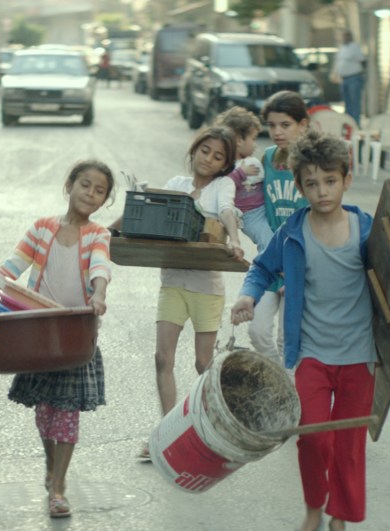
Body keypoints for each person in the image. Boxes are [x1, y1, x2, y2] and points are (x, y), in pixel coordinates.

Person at [231, 130, 390, 531]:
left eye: (330, 181)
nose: (322, 191)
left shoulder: (367, 230)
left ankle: (339, 523)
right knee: (311, 439)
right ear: (299, 186)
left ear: (346, 180)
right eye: (311, 183)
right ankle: (313, 512)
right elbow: (262, 268)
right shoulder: (293, 231)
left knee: (348, 445)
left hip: (360, 356)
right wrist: (248, 296)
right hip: (311, 353)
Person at [0, 160, 115, 518]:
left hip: (74, 336)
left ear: (104, 201)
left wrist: (99, 294)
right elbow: (10, 268)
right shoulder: (42, 228)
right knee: (45, 413)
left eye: (99, 191)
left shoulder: (99, 235)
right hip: (36, 335)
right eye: (85, 184)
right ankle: (51, 468)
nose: (90, 194)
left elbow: (100, 267)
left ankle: (58, 488)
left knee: (67, 412)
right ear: (69, 185)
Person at [130, 127, 245, 460]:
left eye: (218, 156)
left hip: (206, 288)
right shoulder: (176, 184)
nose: (209, 159)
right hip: (172, 283)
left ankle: (219, 429)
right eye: (205, 150)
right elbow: (154, 214)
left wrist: (235, 239)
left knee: (203, 363)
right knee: (162, 358)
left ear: (225, 165)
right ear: (194, 150)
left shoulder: (222, 187)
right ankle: (167, 436)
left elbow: (226, 211)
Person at [249, 90, 311, 366]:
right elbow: (254, 206)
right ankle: (279, 380)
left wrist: (298, 266)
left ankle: (288, 386)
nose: (277, 132)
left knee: (288, 339)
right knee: (257, 331)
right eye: (272, 125)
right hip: (271, 259)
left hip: (300, 264)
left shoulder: (311, 164)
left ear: (303, 124)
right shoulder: (268, 158)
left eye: (285, 125)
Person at [214, 107, 272, 253]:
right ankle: (265, 265)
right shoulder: (227, 166)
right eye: (253, 139)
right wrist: (241, 173)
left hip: (265, 209)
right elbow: (223, 185)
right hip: (250, 215)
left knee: (275, 239)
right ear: (239, 141)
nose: (255, 144)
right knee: (267, 241)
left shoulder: (249, 161)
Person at [335, 31, 367, 127]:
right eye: (343, 36)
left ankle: (356, 124)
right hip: (344, 79)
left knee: (354, 103)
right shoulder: (342, 48)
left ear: (350, 37)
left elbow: (362, 61)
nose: (344, 38)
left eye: (346, 36)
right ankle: (349, 124)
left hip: (354, 78)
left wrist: (363, 74)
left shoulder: (355, 47)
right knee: (347, 103)